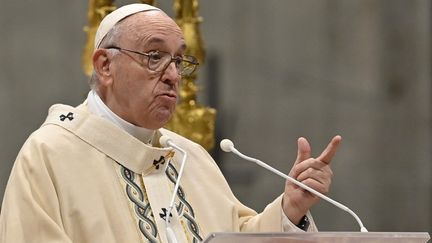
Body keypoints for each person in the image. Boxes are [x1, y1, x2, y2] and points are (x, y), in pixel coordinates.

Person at [0, 3, 341, 243]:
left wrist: (290, 208)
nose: (173, 75)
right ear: (105, 66)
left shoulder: (189, 156)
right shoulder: (49, 156)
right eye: (154, 56)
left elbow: (235, 236)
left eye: (179, 60)